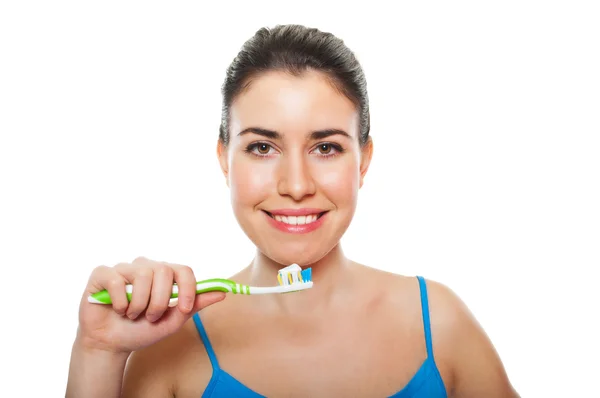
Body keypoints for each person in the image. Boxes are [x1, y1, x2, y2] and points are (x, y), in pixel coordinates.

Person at [66, 24, 519, 397]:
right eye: (263, 147)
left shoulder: (439, 324)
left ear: (363, 160)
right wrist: (98, 352)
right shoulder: (168, 347)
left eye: (326, 147)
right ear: (225, 159)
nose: (297, 185)